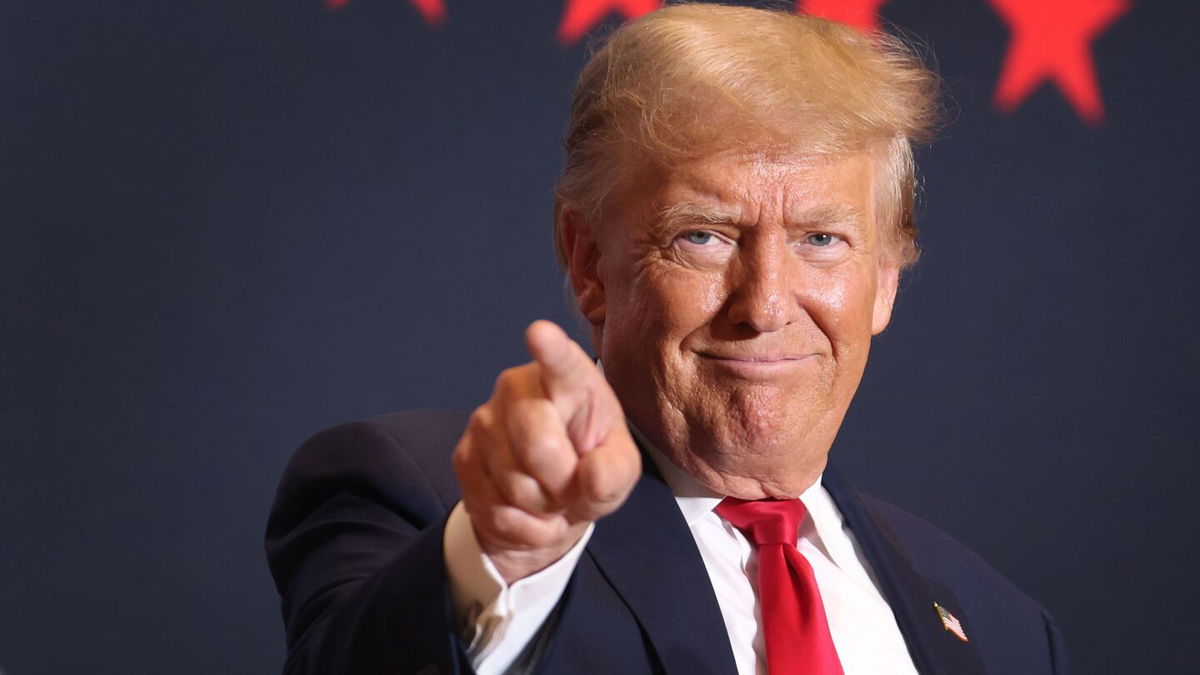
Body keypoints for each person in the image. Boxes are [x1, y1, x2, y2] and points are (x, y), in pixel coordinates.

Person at [265, 4, 1067, 674]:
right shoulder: (428, 503)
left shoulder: (1005, 629)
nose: (765, 303)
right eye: (705, 236)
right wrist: (506, 553)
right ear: (588, 260)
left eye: (822, 239)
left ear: (885, 278)